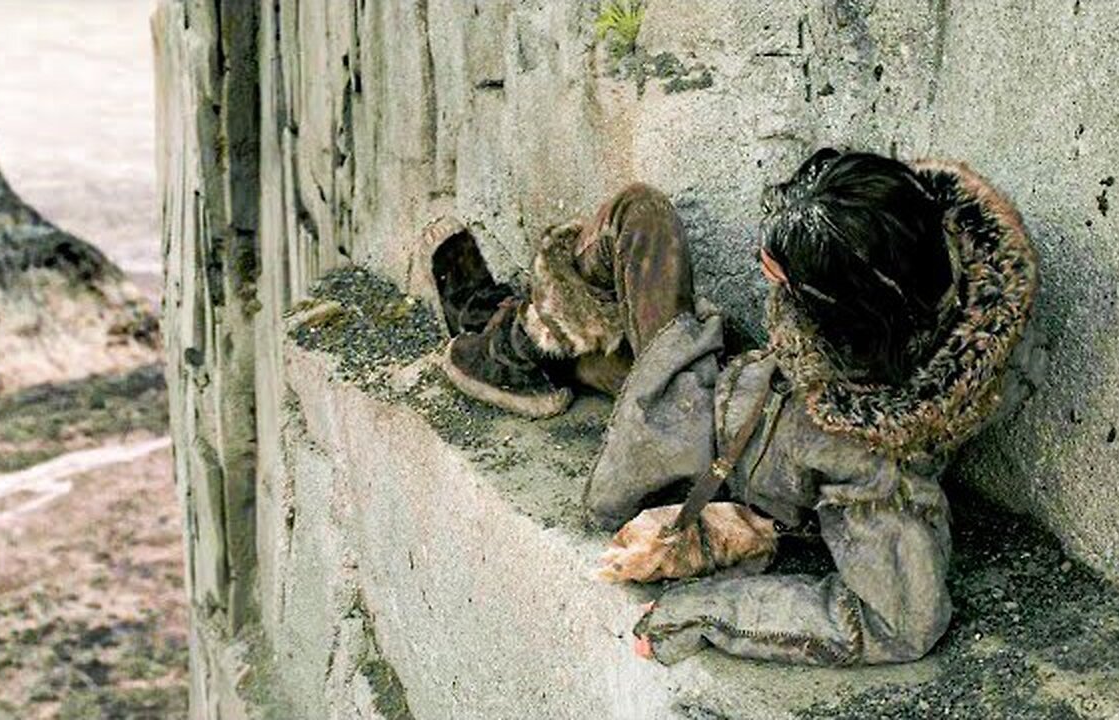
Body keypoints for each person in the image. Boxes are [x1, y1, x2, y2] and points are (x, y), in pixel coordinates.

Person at [438, 149, 1044, 665]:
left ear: (839, 307)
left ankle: (508, 339)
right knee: (639, 213)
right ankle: (515, 339)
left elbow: (901, 622)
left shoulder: (879, 460)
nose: (764, 261)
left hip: (691, 442)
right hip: (718, 374)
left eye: (782, 270)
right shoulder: (906, 242)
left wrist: (704, 612)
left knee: (626, 348)